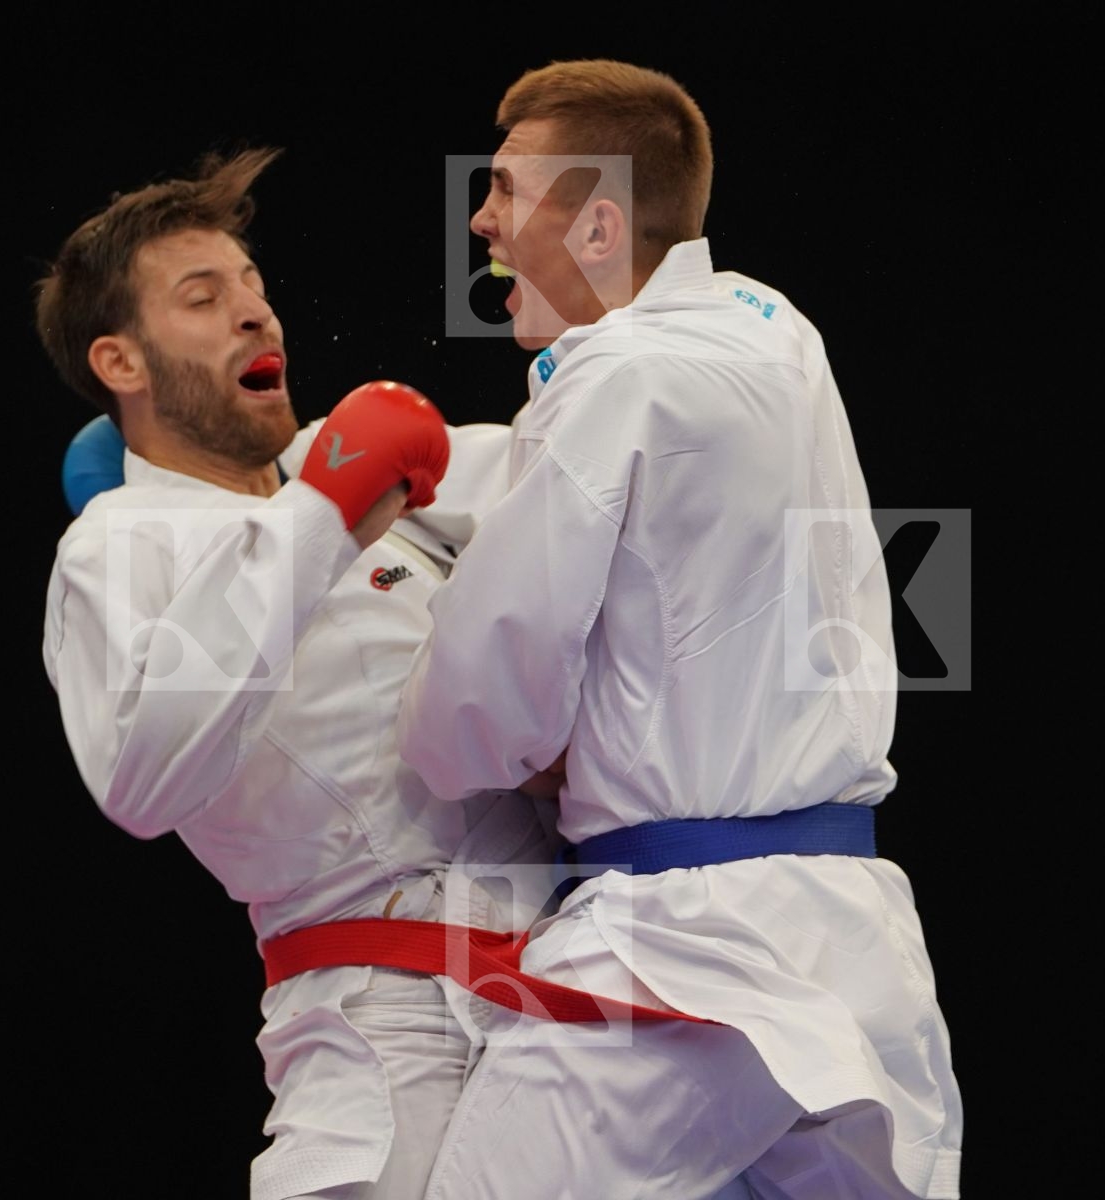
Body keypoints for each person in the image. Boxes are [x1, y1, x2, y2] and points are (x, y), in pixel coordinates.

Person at [395, 61, 965, 1199]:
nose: (482, 219)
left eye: (506, 189)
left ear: (599, 223)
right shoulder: (774, 331)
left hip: (678, 951)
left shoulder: (615, 376)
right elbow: (610, 494)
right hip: (853, 948)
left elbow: (471, 709)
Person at [35, 148, 556, 1200]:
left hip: (566, 1002)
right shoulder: (122, 545)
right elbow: (140, 777)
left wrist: (598, 346)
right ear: (121, 364)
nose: (255, 315)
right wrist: (318, 516)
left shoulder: (380, 470)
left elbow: (578, 481)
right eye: (203, 297)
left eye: (256, 289)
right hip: (384, 1034)